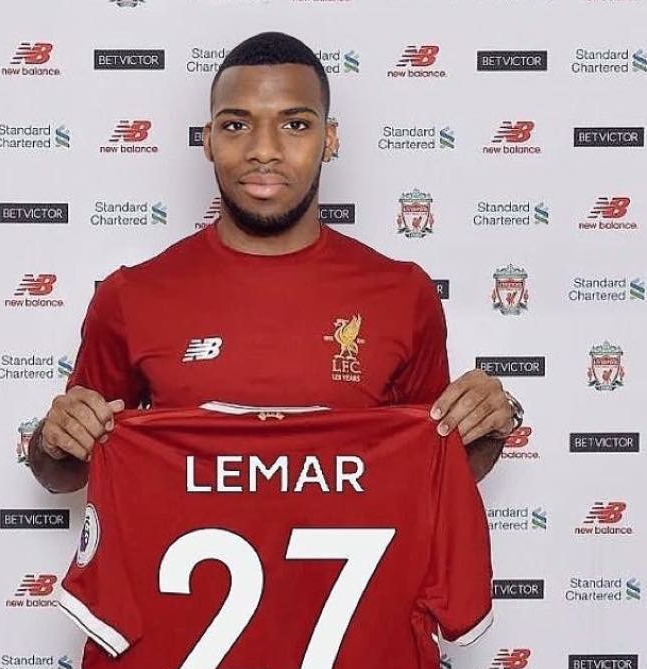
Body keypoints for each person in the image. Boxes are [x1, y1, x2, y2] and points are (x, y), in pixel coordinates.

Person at [28, 32, 523, 494]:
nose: (264, 151)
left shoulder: (403, 292)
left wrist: (486, 425)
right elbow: (64, 473)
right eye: (236, 125)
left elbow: (435, 464)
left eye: (295, 125)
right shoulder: (131, 295)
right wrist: (55, 439)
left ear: (330, 139)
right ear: (208, 140)